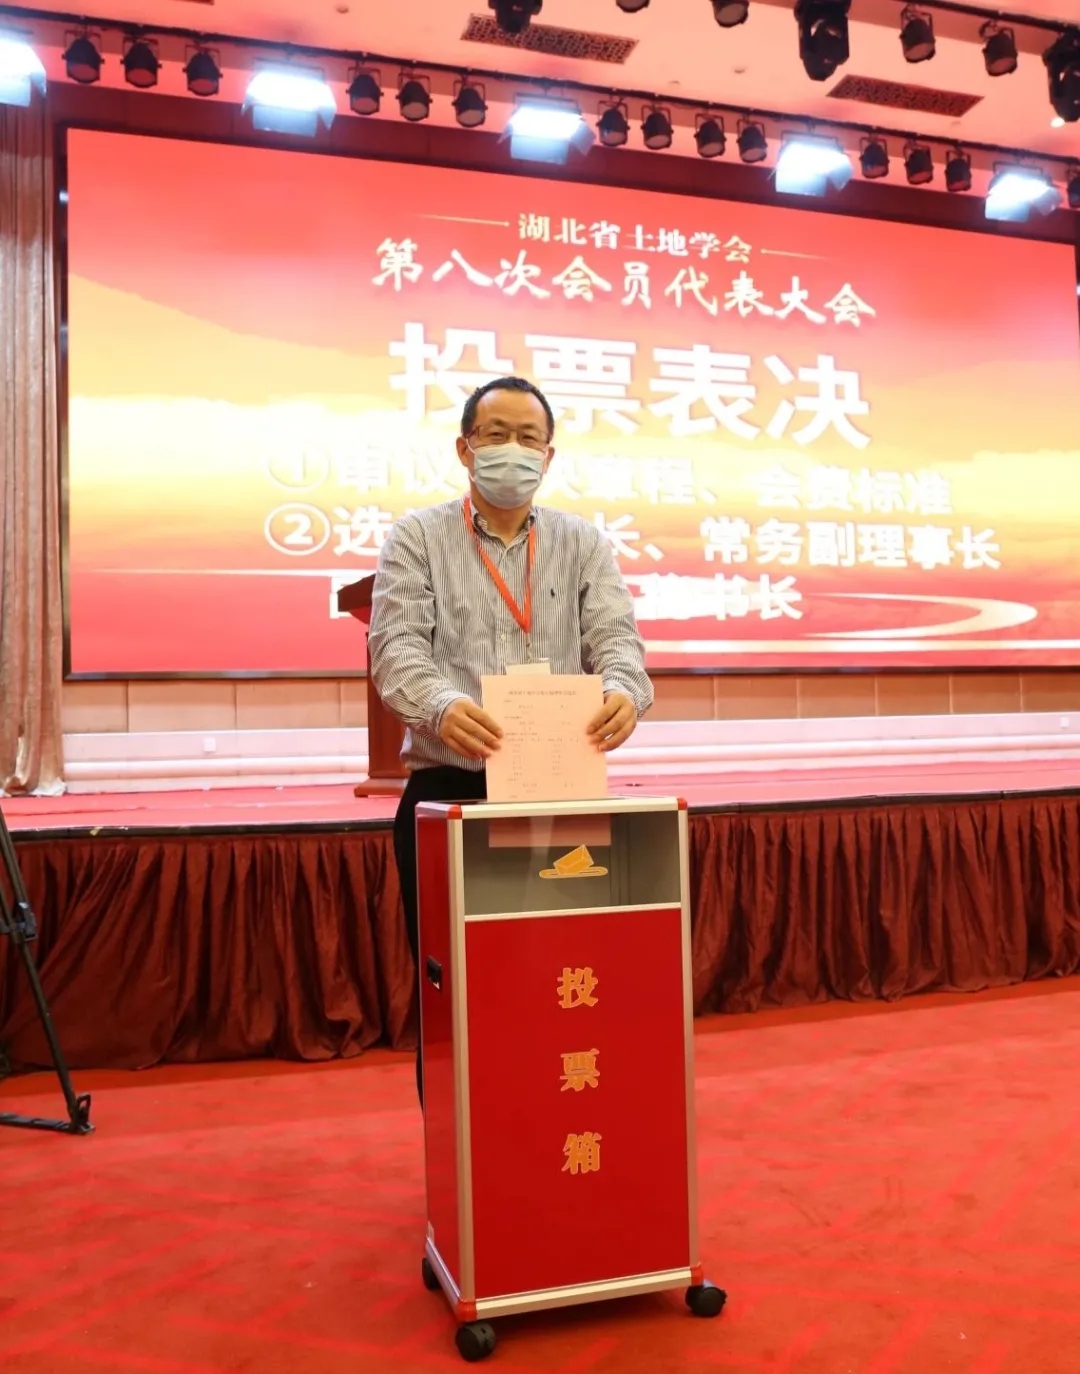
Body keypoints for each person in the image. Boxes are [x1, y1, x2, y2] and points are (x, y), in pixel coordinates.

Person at [368, 375, 653, 1103]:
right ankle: (465, 1148)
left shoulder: (581, 543)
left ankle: (555, 1131)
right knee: (461, 992)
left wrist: (626, 691)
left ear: (548, 457)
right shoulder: (418, 537)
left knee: (563, 979)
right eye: (495, 435)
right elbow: (396, 649)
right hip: (450, 797)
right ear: (464, 449)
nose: (512, 451)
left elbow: (618, 642)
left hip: (557, 792)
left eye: (529, 438)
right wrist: (440, 705)